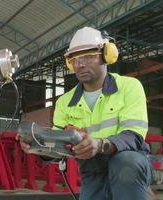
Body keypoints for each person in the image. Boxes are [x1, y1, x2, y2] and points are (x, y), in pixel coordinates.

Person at [18, 27, 152, 200]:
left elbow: (133, 136)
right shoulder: (65, 102)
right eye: (74, 59)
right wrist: (37, 146)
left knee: (125, 161)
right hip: (92, 170)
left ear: (107, 55)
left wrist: (99, 144)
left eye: (88, 56)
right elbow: (59, 147)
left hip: (129, 166)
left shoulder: (129, 87)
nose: (80, 64)